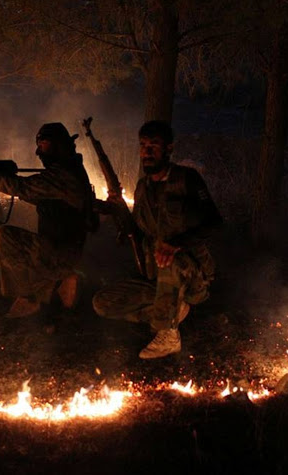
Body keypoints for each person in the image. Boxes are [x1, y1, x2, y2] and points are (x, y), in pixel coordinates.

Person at [92, 120, 221, 359]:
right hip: (157, 277)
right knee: (103, 303)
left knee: (169, 258)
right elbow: (138, 231)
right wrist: (117, 208)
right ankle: (168, 312)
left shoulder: (186, 179)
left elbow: (214, 223)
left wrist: (177, 243)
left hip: (190, 274)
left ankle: (168, 335)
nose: (147, 152)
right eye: (143, 146)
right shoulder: (142, 188)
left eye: (154, 146)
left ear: (169, 149)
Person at [0, 122, 97, 318]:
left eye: (43, 145)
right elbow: (34, 193)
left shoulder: (63, 175)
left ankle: (29, 297)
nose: (38, 151)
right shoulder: (69, 169)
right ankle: (59, 283)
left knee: (5, 237)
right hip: (64, 247)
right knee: (27, 254)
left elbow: (24, 188)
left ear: (58, 145)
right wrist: (1, 178)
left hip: (62, 251)